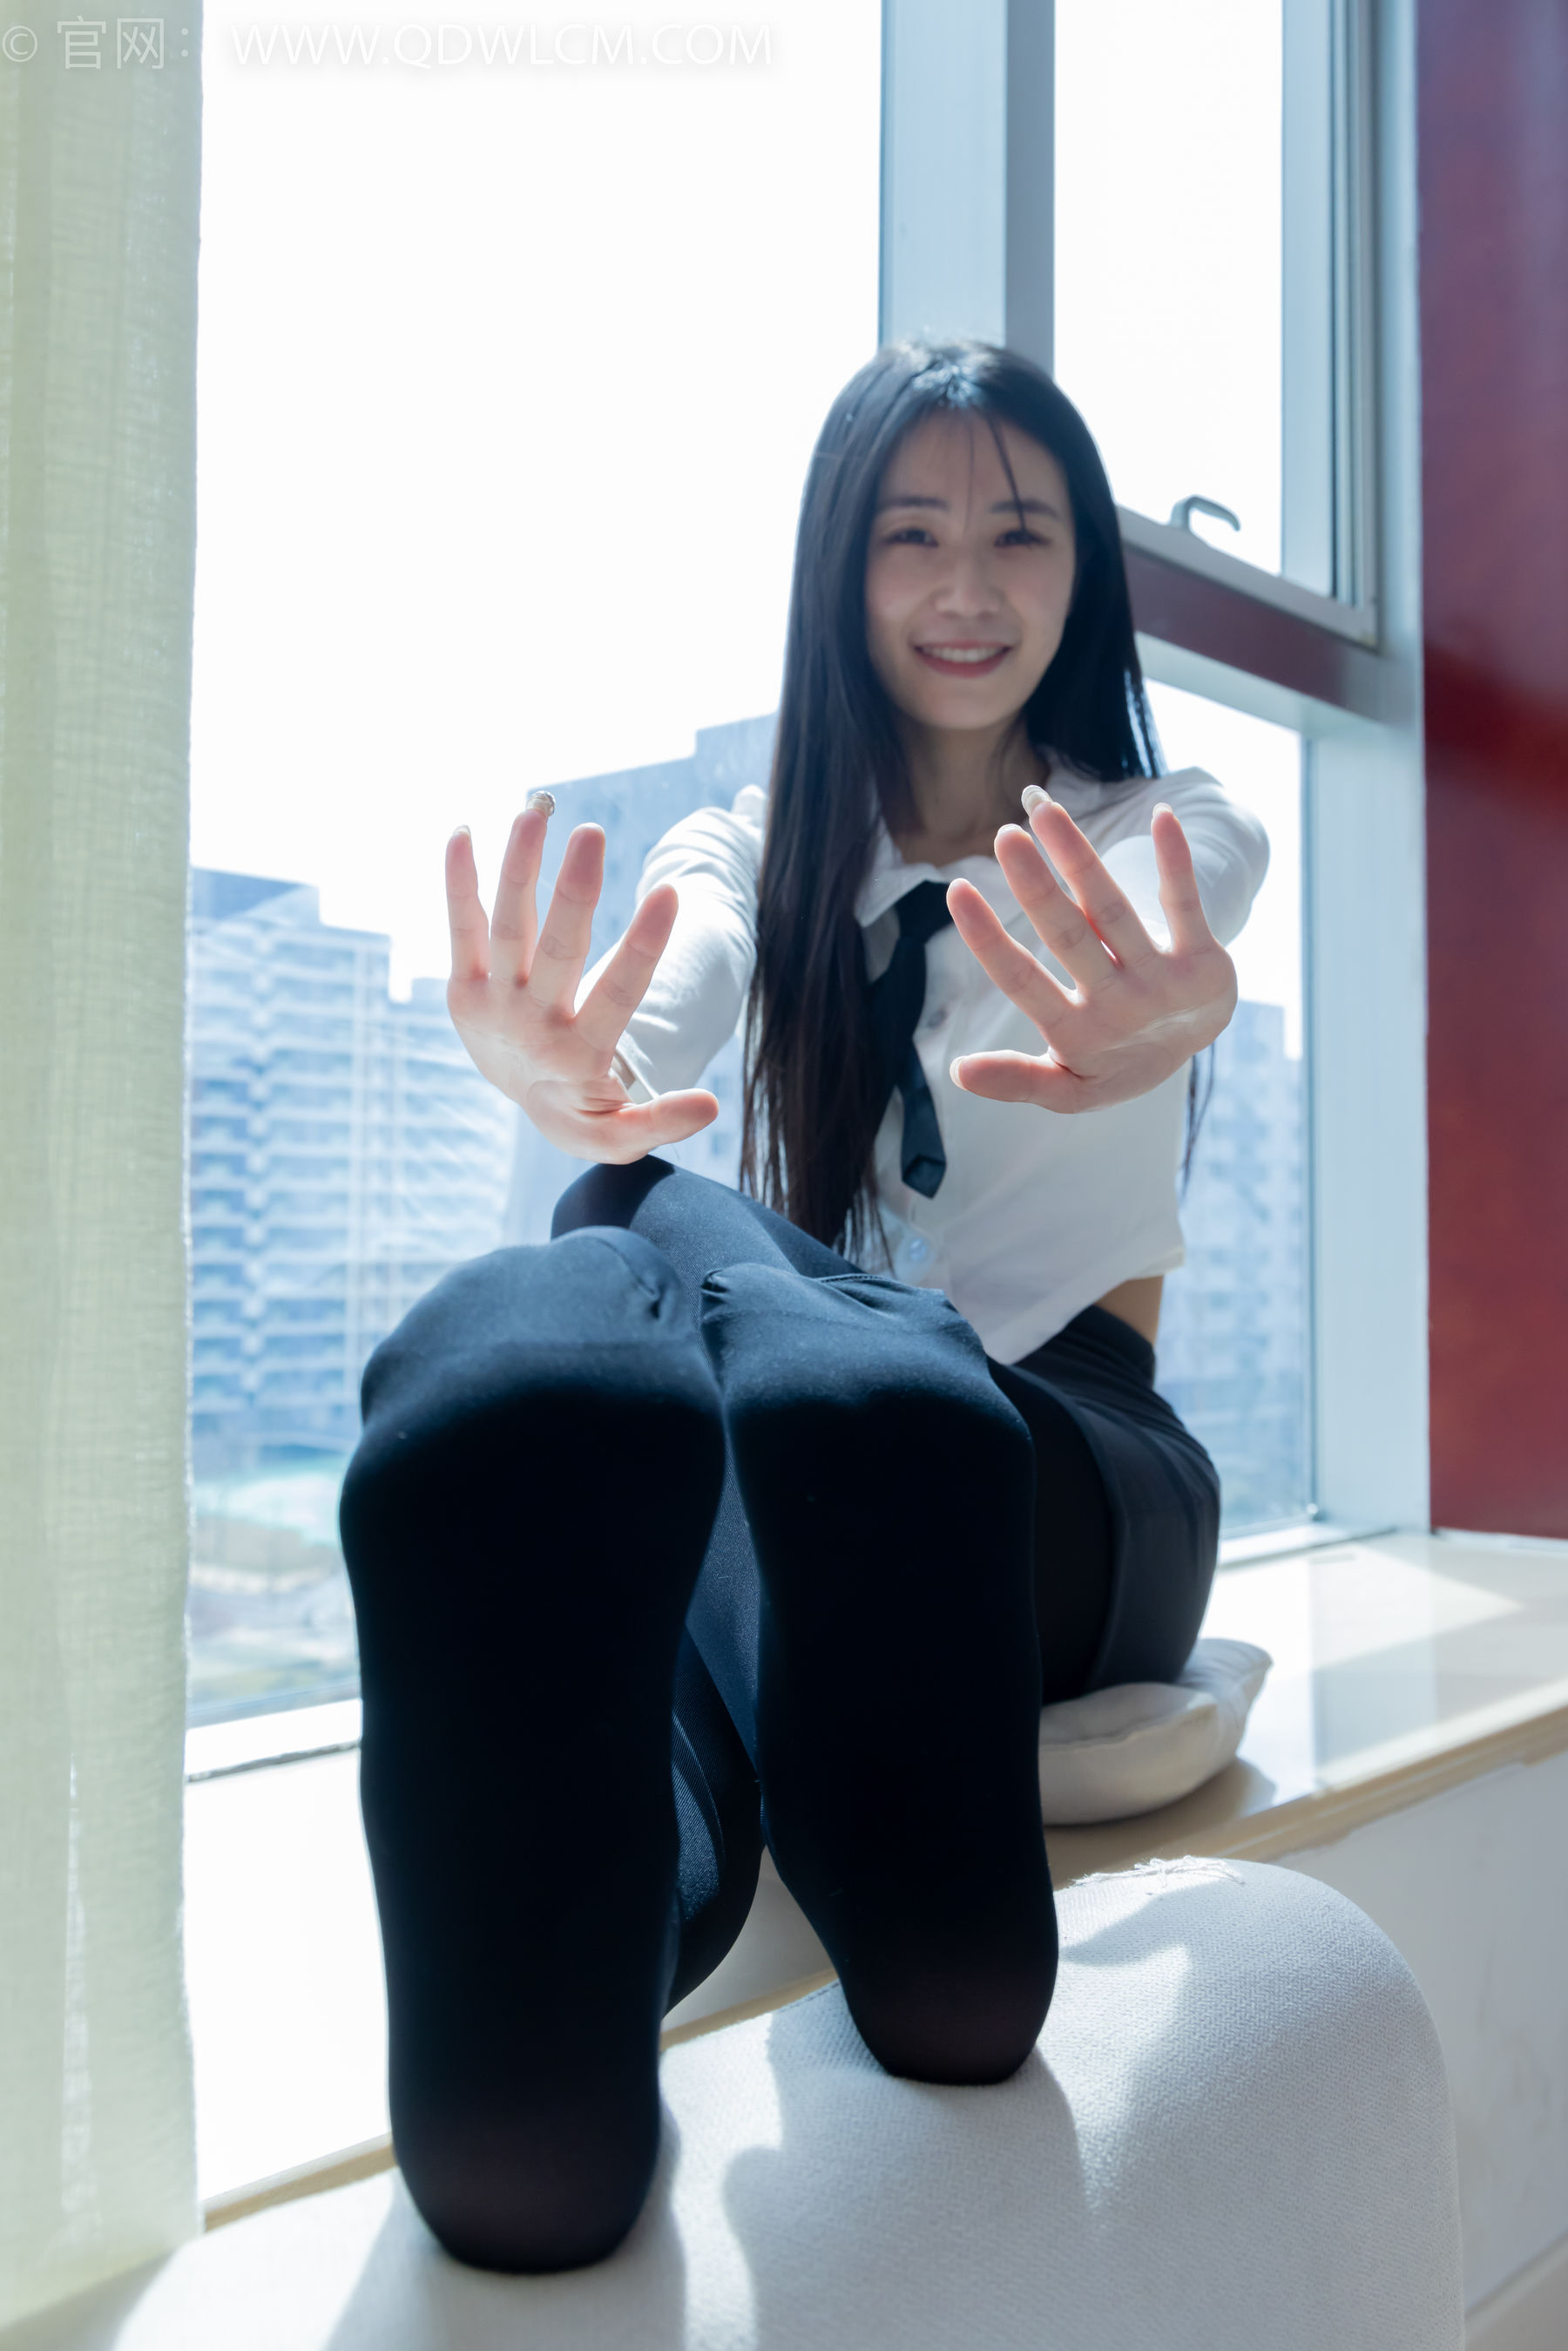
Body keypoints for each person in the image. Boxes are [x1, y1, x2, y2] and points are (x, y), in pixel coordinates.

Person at [338, 341, 1269, 2277]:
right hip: (834, 1503)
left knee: (638, 1232)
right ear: (839, 569)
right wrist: (589, 1070)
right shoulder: (749, 852)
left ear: (1084, 571)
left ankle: (644, 1336)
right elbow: (674, 975)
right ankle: (571, 2054)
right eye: (910, 534)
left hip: (1070, 1477)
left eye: (1019, 534)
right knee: (723, 1467)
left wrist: (1186, 997)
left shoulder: (1145, 829)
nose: (964, 584)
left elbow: (1195, 904)